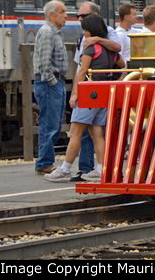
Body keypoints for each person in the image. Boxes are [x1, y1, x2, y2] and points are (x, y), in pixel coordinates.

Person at [45, 13, 123, 183]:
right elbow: (123, 65)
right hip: (104, 94)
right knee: (97, 133)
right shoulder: (111, 50)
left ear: (89, 32)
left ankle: (65, 169)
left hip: (89, 94)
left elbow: (81, 71)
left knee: (75, 133)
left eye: (85, 30)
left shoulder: (90, 49)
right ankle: (101, 169)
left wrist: (74, 94)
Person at [73, 1, 121, 178]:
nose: (80, 19)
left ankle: (66, 168)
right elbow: (78, 66)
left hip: (91, 90)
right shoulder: (83, 37)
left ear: (95, 16)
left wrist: (76, 92)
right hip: (91, 88)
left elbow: (118, 50)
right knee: (93, 132)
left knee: (83, 131)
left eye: (84, 16)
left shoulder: (107, 33)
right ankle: (90, 167)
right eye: (78, 16)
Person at [33, 0, 69, 175]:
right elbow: (44, 62)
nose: (66, 15)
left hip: (56, 82)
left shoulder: (55, 32)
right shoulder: (47, 32)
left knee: (54, 123)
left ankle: (46, 160)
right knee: (49, 124)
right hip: (50, 83)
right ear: (52, 15)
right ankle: (44, 162)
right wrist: (52, 81)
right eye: (62, 12)